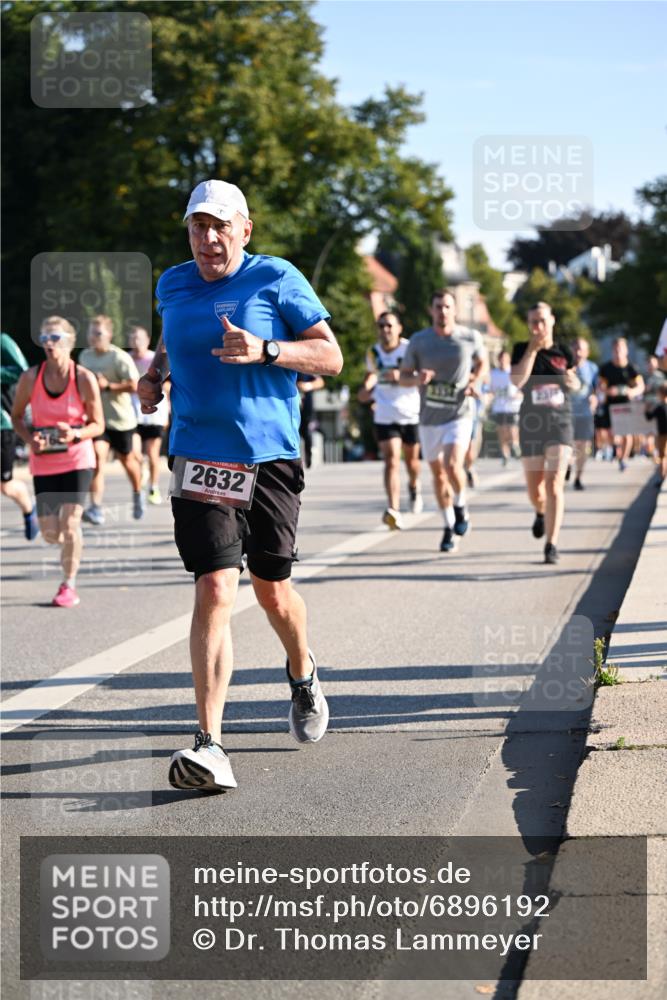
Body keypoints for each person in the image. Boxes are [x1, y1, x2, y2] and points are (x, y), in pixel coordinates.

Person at [137, 179, 343, 792]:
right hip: (200, 454)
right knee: (215, 587)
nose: (208, 237)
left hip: (269, 454)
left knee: (272, 589)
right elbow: (173, 348)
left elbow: (331, 358)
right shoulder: (171, 284)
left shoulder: (275, 278)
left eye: (220, 225)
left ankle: (302, 671)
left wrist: (267, 348)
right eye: (198, 226)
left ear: (244, 229)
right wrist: (154, 379)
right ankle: (209, 744)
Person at [11, 317, 103, 606]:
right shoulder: (30, 378)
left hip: (77, 459)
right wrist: (29, 439)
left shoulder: (83, 378)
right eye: (45, 338)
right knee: (52, 533)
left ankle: (68, 584)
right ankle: (67, 548)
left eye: (56, 338)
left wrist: (75, 433)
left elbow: (99, 425)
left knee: (70, 523)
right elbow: (16, 418)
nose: (49, 344)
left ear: (69, 343)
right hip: (44, 462)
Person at [400, 289, 486, 552]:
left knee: (452, 464)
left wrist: (474, 381)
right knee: (438, 475)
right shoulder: (419, 340)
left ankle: (460, 506)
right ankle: (449, 526)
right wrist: (417, 379)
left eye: (447, 306)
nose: (443, 311)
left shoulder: (469, 337)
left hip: (459, 414)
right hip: (428, 418)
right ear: (431, 310)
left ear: (454, 310)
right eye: (438, 307)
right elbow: (403, 377)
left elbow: (483, 364)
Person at [511, 302, 579, 565]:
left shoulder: (563, 352)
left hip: (560, 423)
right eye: (532, 322)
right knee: (535, 491)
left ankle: (551, 544)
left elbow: (574, 381)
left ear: (552, 320)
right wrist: (532, 349)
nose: (537, 327)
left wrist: (574, 382)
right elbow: (517, 381)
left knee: (554, 484)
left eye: (541, 321)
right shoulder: (521, 349)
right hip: (531, 424)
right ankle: (540, 512)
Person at [358, 311, 422, 529]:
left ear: (399, 328)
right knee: (392, 459)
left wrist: (401, 377)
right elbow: (370, 376)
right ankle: (393, 509)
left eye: (389, 326)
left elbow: (420, 378)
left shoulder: (409, 348)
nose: (385, 330)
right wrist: (366, 391)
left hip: (409, 412)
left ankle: (414, 486)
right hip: (384, 413)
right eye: (381, 326)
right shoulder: (373, 352)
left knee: (412, 463)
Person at [79, 315, 144, 523]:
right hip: (98, 421)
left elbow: (135, 386)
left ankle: (137, 492)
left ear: (109, 335)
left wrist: (108, 386)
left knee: (127, 460)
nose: (93, 337)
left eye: (98, 333)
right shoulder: (84, 357)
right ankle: (96, 508)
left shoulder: (119, 357)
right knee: (97, 459)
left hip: (121, 420)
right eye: (91, 332)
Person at [1, 332, 39, 540]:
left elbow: (23, 372)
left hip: (2, 424)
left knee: (5, 486)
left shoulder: (3, 341)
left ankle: (27, 506)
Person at [128, 324, 170, 504]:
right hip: (132, 411)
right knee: (134, 452)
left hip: (155, 412)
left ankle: (153, 486)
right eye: (133, 339)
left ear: (147, 341)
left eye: (140, 339)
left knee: (153, 452)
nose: (136, 342)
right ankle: (142, 469)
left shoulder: (156, 359)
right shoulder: (126, 359)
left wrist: (163, 391)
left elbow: (169, 383)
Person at [596, 338, 644, 472]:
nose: (618, 352)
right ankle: (615, 448)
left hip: (626, 405)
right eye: (616, 349)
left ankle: (623, 459)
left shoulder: (632, 368)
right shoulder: (606, 368)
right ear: (612, 350)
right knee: (610, 433)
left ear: (626, 350)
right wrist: (607, 391)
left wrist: (631, 391)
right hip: (611, 405)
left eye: (621, 349)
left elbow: (640, 386)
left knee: (627, 434)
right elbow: (600, 386)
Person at [569, 337, 599, 490]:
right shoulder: (564, 366)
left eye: (582, 349)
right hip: (567, 413)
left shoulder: (592, 368)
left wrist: (595, 398)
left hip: (585, 413)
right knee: (568, 446)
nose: (578, 352)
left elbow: (597, 389)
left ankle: (578, 477)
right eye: (576, 349)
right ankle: (568, 465)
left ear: (587, 352)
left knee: (583, 446)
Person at [487, 349, 522, 465]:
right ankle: (505, 454)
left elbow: (522, 390)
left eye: (505, 359)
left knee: (512, 430)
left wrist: (517, 395)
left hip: (512, 407)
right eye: (501, 359)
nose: (502, 361)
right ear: (498, 360)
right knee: (502, 432)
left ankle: (515, 446)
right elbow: (490, 390)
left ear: (509, 360)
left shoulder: (513, 372)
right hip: (499, 407)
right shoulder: (493, 373)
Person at [296, 373, 325, 469]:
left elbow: (320, 381)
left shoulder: (306, 369)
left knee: (307, 433)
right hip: (291, 408)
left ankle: (309, 459)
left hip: (306, 409)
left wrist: (308, 385)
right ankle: (295, 460)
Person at [642, 355, 666, 461]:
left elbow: (663, 389)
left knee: (658, 433)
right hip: (649, 406)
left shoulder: (660, 376)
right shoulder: (646, 376)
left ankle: (657, 454)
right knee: (649, 432)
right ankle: (653, 453)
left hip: (658, 406)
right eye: (649, 363)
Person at [645, 383, 667, 486]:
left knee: (662, 456)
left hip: (662, 434)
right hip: (662, 434)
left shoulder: (659, 407)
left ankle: (662, 477)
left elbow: (649, 417)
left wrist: (647, 409)